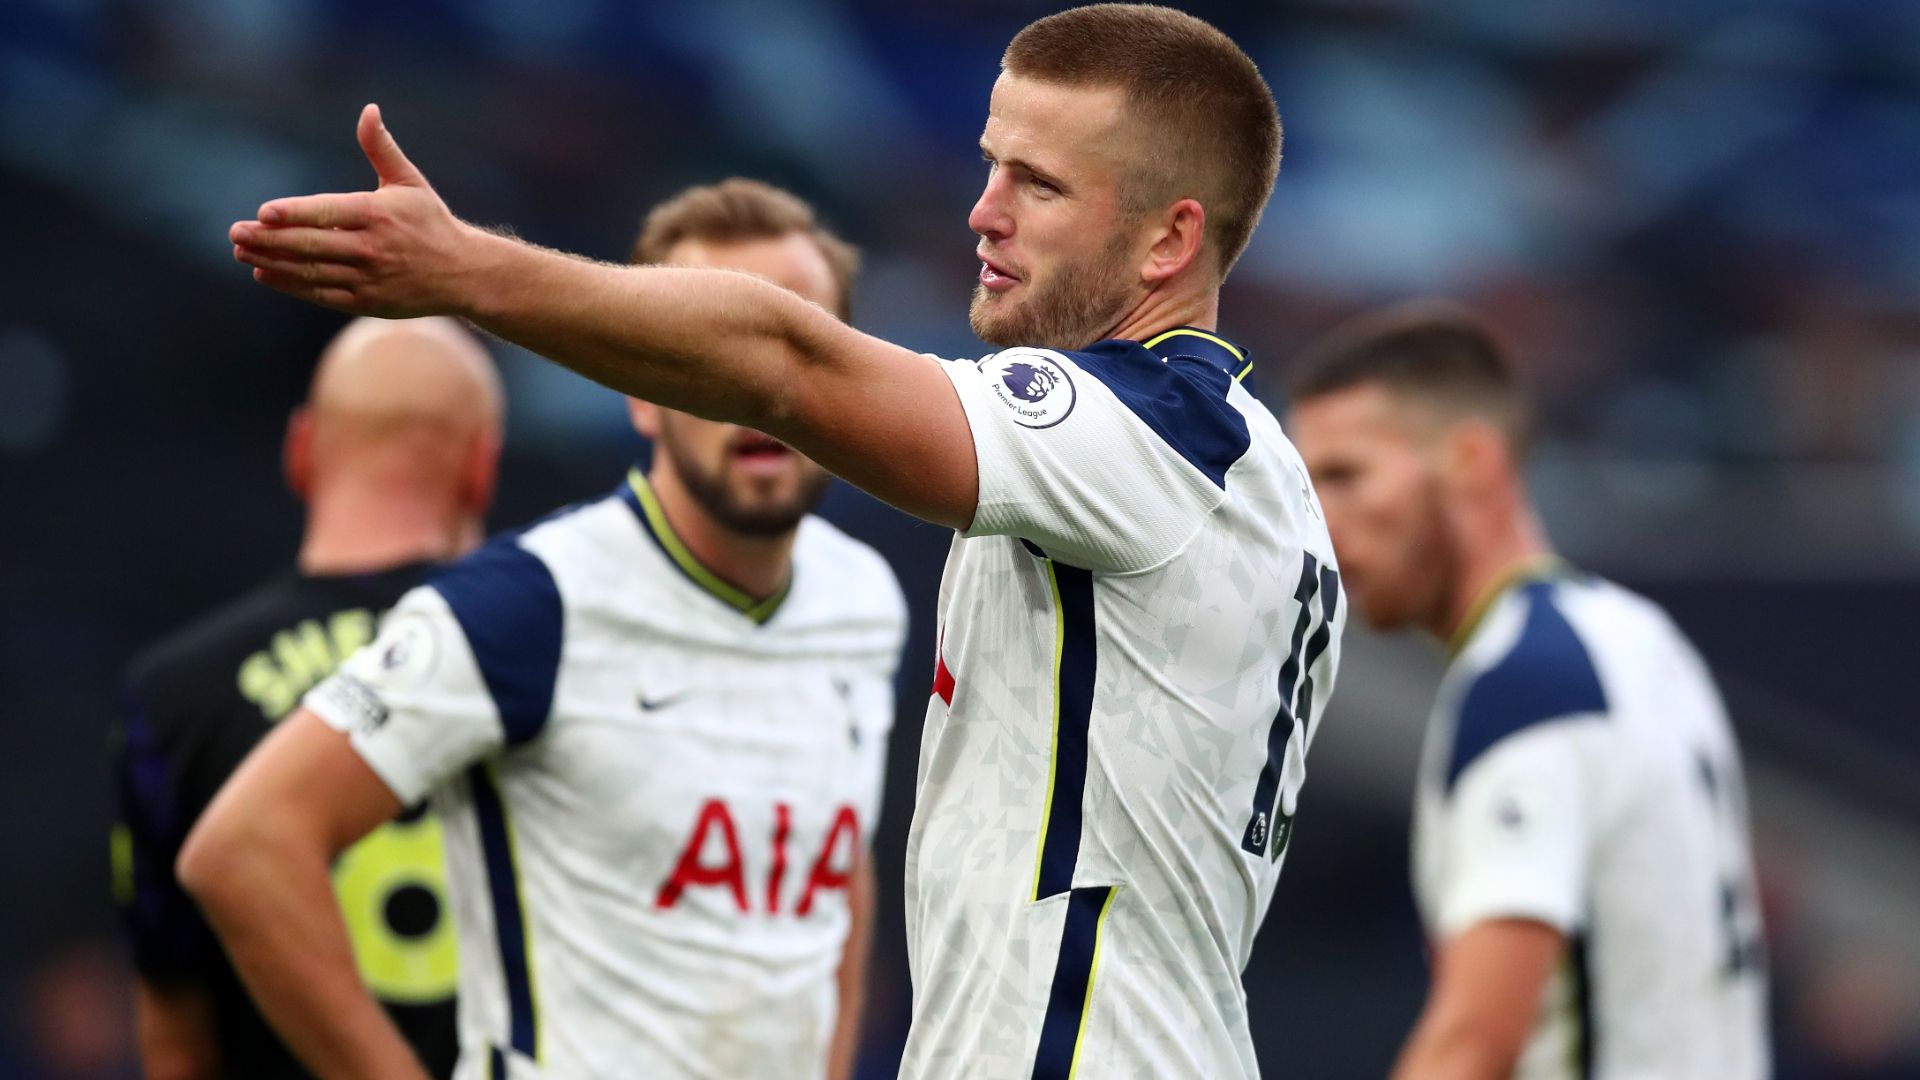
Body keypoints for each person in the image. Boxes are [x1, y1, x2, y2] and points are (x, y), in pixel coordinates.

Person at [221, 6, 1343, 1076]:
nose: (982, 212)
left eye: (1037, 184)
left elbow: (787, 368)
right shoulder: (1262, 477)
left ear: (1168, 241)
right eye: (991, 165)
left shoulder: (1151, 432)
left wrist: (469, 272)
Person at [183, 178, 906, 1080]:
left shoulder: (865, 597)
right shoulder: (532, 601)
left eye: (793, 350)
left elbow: (836, 878)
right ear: (640, 389)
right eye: (710, 353)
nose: (757, 391)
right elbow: (245, 848)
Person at [1284, 301, 1769, 1079]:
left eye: (1344, 476)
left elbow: (1474, 1041)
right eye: (1306, 488)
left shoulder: (1526, 682)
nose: (1318, 524)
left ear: (1471, 460)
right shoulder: (1636, 637)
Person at [112, 316, 504, 1079]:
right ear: (479, 467)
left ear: (301, 450)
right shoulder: (538, 658)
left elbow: (175, 1038)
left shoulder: (173, 695)